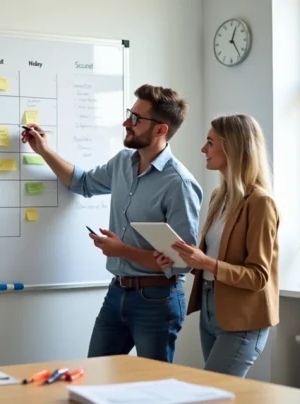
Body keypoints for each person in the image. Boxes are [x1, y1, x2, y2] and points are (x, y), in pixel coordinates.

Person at [22, 84, 203, 362]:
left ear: (160, 130)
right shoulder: (123, 162)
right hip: (117, 292)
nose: (125, 123)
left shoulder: (179, 183)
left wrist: (122, 250)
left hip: (157, 300)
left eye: (136, 118)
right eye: (130, 114)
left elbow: (182, 262)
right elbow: (82, 183)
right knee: (97, 374)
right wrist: (43, 150)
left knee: (154, 383)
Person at [154, 114, 279, 377]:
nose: (203, 149)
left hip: (243, 317)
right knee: (217, 391)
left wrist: (206, 263)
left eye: (210, 142)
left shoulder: (260, 203)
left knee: (212, 391)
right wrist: (180, 259)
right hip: (210, 308)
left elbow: (258, 276)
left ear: (233, 147)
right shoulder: (219, 197)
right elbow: (210, 259)